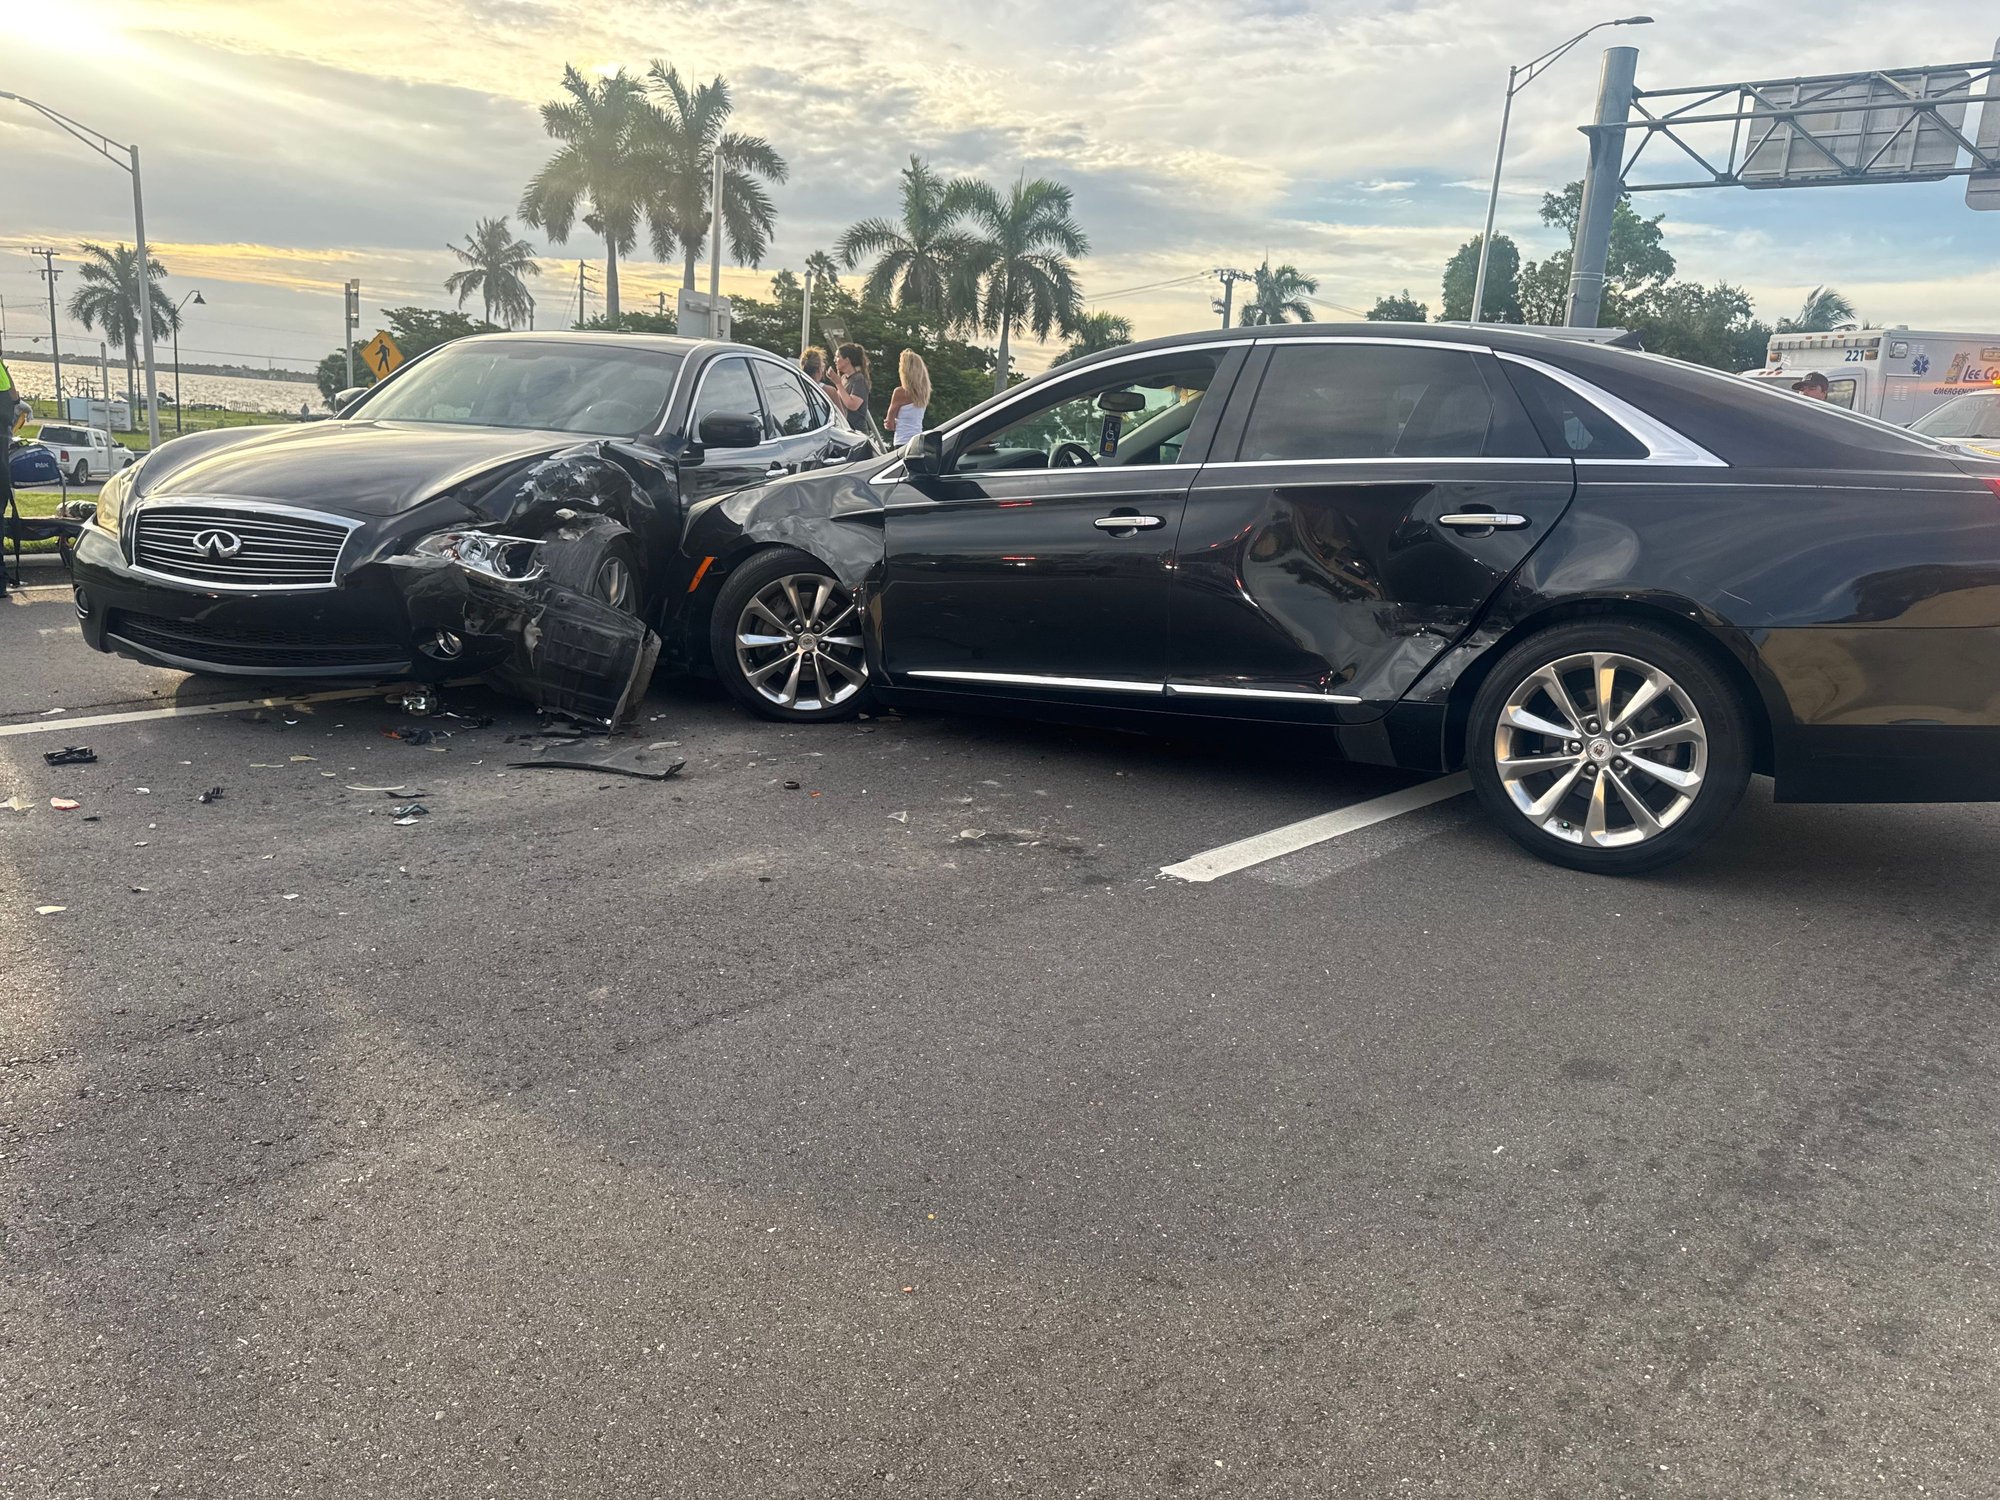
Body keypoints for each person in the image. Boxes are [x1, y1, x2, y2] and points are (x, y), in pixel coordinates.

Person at [826, 342, 875, 437]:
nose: (834, 360)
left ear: (847, 360)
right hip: (845, 430)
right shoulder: (844, 378)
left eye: (837, 357)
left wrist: (838, 383)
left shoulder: (859, 379)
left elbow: (852, 405)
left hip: (857, 432)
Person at [885, 349, 931, 445]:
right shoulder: (924, 392)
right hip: (918, 441)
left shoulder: (900, 392)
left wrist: (888, 423)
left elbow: (890, 424)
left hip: (902, 441)